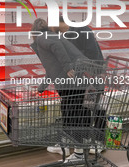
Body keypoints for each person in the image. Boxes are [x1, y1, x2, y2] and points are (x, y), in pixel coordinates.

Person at [30, 18, 92, 162]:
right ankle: (68, 146)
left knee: (74, 116)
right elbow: (51, 69)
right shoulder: (49, 37)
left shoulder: (43, 39)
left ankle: (78, 154)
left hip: (73, 83)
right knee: (72, 114)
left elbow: (57, 49)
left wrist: (67, 67)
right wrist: (41, 88)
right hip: (74, 82)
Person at [48, 16, 105, 156]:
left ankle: (98, 141)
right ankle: (70, 141)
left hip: (89, 79)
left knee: (91, 108)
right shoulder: (60, 35)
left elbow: (94, 57)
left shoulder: (82, 31)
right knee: (69, 106)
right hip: (70, 81)